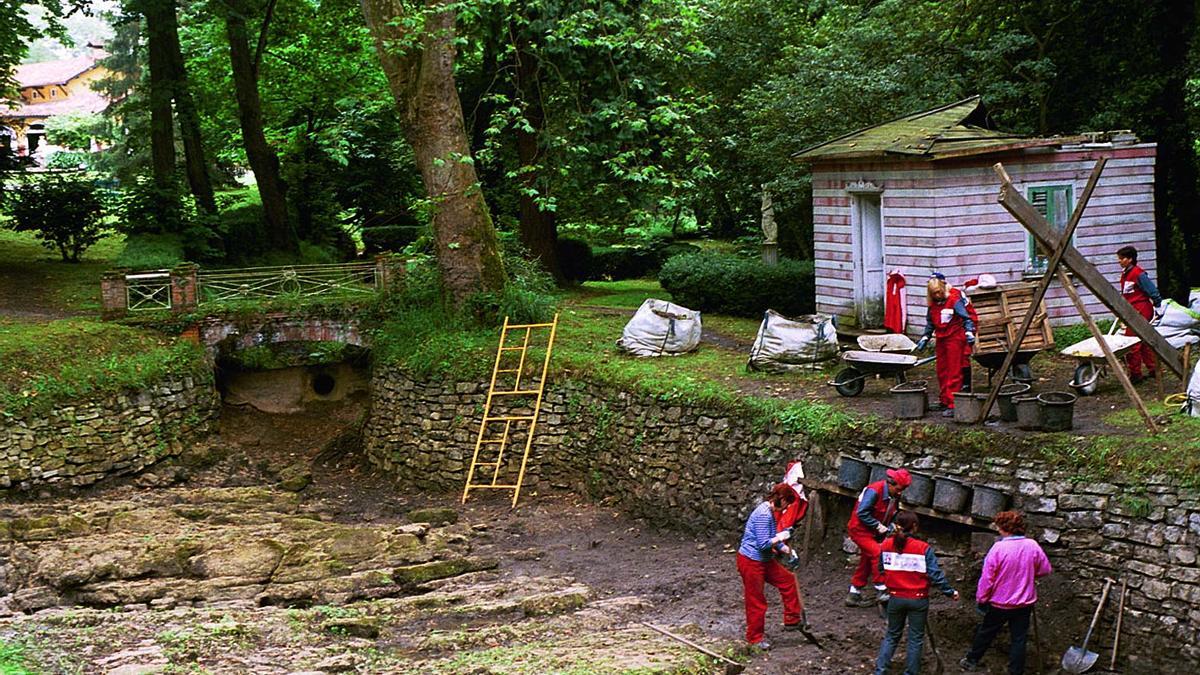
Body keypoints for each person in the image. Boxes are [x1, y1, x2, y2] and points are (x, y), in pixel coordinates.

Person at [959, 511, 1052, 674]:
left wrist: (982, 598)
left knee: (986, 632)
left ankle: (972, 659)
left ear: (1003, 527)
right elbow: (1045, 569)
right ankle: (1015, 671)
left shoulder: (999, 548)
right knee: (1019, 639)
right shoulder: (1032, 545)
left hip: (1000, 603)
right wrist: (1028, 573)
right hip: (1024, 604)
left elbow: (987, 578)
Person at [873, 511, 960, 675]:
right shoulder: (923, 548)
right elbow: (936, 575)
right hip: (918, 599)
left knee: (891, 635)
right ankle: (911, 672)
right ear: (914, 527)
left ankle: (880, 670)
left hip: (895, 598)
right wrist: (950, 592)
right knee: (915, 639)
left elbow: (881, 569)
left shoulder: (885, 546)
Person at [737, 483, 804, 651]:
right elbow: (763, 544)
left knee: (787, 580)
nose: (787, 508)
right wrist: (783, 535)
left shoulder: (772, 513)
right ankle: (754, 638)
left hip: (764, 560)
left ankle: (792, 620)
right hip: (751, 561)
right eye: (787, 504)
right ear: (780, 499)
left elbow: (772, 538)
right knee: (756, 600)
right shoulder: (763, 514)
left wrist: (789, 550)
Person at [846, 468, 911, 607]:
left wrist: (893, 525)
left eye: (902, 490)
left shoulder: (895, 495)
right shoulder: (874, 491)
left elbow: (893, 511)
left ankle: (854, 593)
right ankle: (882, 589)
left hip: (872, 531)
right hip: (859, 530)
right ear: (891, 483)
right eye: (899, 489)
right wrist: (878, 525)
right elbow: (861, 513)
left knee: (867, 560)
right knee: (877, 553)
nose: (900, 493)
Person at [915, 274, 976, 417]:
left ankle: (953, 403)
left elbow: (966, 318)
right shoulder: (933, 305)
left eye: (938, 292)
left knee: (954, 370)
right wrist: (925, 337)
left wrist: (969, 332)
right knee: (942, 370)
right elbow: (930, 323)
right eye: (934, 293)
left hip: (955, 337)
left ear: (942, 288)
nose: (937, 295)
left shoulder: (954, 300)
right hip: (941, 338)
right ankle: (944, 399)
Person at [1116, 246, 1162, 383]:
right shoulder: (1125, 274)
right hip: (1131, 309)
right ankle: (1153, 369)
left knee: (1132, 343)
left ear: (1130, 259)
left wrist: (1158, 305)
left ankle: (1136, 374)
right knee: (1144, 341)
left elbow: (1152, 290)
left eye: (1122, 258)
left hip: (1141, 309)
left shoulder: (1139, 274)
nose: (1119, 261)